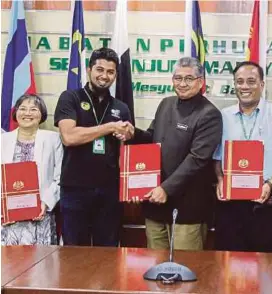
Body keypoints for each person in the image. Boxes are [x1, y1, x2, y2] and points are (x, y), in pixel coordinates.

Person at [123, 57, 222, 250]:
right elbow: (152, 138)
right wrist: (133, 133)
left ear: (200, 82)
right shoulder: (166, 104)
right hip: (155, 203)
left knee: (184, 268)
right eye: (178, 78)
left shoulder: (209, 114)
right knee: (155, 265)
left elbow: (197, 159)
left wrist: (166, 189)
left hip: (187, 208)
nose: (182, 84)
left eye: (189, 78)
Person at [213, 61, 272, 252]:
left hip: (268, 203)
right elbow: (217, 157)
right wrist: (220, 179)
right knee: (230, 267)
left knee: (265, 267)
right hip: (231, 205)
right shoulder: (223, 117)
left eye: (251, 81)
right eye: (239, 81)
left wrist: (270, 183)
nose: (244, 87)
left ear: (262, 84)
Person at [53, 48, 133, 246]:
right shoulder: (70, 98)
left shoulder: (121, 107)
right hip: (75, 188)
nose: (104, 76)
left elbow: (126, 150)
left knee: (108, 252)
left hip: (110, 190)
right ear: (89, 70)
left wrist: (129, 134)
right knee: (74, 253)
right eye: (99, 69)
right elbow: (69, 137)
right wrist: (109, 127)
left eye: (110, 72)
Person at [1, 94, 63, 245]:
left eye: (33, 109)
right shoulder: (2, 140)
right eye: (22, 108)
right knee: (8, 265)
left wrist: (46, 202)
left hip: (41, 213)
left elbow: (60, 176)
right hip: (6, 216)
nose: (27, 113)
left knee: (40, 264)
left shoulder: (53, 139)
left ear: (41, 114)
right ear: (15, 113)